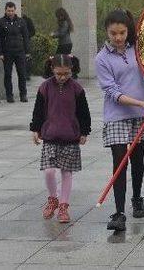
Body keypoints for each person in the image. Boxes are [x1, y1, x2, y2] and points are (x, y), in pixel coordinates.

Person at [96, 10, 144, 232]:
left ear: (128, 31)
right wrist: (138, 103)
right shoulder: (102, 58)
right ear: (107, 32)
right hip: (117, 116)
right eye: (113, 33)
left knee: (138, 161)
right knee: (120, 163)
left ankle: (137, 198)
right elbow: (112, 92)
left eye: (122, 32)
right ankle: (119, 212)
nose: (118, 37)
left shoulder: (138, 50)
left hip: (140, 116)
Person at [30, 54, 91, 223]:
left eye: (66, 73)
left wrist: (84, 131)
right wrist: (35, 129)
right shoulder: (45, 87)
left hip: (70, 137)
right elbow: (38, 111)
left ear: (71, 70)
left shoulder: (77, 89)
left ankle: (64, 205)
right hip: (50, 136)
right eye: (58, 74)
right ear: (52, 70)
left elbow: (83, 113)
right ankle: (53, 198)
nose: (62, 77)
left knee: (66, 172)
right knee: (49, 171)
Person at [0, 2, 30, 103]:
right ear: (5, 11)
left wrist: (27, 51)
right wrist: (0, 53)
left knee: (22, 74)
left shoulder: (21, 21)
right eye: (8, 11)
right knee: (7, 74)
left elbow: (26, 37)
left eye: (12, 11)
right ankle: (9, 95)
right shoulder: (0, 22)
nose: (10, 13)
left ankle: (23, 94)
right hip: (7, 53)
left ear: (15, 10)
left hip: (20, 52)